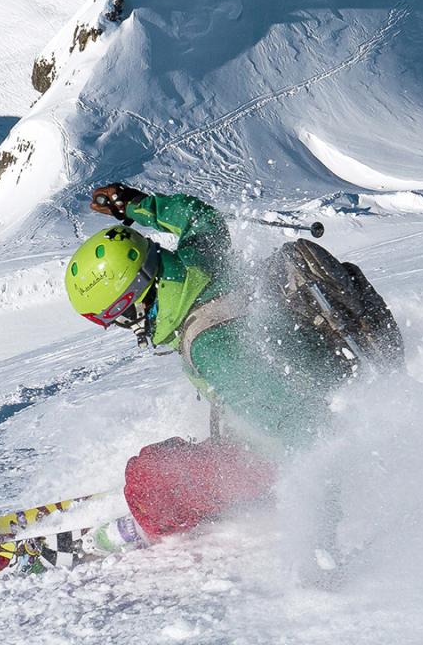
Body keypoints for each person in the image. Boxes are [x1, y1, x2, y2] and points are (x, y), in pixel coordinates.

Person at [63, 182, 397, 550]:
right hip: (316, 391)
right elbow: (201, 219)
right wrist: (140, 206)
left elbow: (307, 436)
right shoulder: (198, 261)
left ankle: (138, 526)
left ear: (134, 301)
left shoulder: (214, 346)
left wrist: (320, 546)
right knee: (176, 455)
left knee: (149, 479)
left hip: (307, 444)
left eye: (113, 316)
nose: (122, 327)